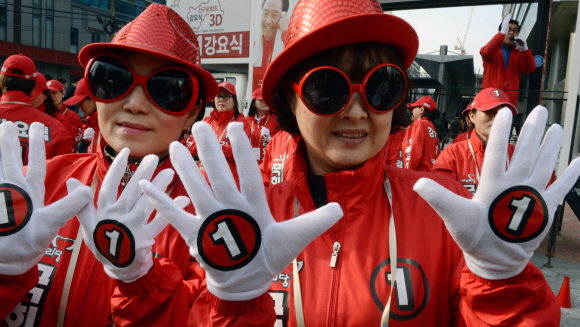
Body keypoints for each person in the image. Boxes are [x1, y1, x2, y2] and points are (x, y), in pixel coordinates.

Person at [116, 1, 575, 326]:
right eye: (327, 89)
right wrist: (234, 304)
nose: (356, 111)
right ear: (289, 101)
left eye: (379, 87)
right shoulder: (238, 222)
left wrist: (501, 283)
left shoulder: (450, 215)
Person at [0, 4, 320, 325]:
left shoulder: (212, 217)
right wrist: (6, 271)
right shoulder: (36, 185)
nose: (136, 105)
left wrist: (150, 279)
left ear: (192, 114)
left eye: (168, 90)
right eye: (113, 79)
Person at [433, 88, 517, 194]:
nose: (497, 117)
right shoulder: (452, 154)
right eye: (489, 111)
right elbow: (440, 200)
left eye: (503, 112)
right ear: (472, 116)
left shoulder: (517, 154)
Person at [0, 54, 73, 164]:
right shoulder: (56, 128)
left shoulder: (57, 125)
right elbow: (65, 172)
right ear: (34, 88)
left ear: (1, 83)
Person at [187, 81, 249, 185]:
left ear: (234, 101)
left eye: (226, 96)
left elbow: (242, 151)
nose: (221, 99)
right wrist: (208, 148)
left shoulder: (241, 123)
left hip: (230, 181)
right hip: (204, 179)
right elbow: (191, 144)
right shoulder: (206, 121)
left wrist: (215, 147)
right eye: (218, 96)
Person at [480, 14, 535, 108]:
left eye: (515, 30)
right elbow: (485, 53)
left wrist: (525, 50)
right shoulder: (493, 50)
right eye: (508, 29)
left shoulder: (519, 52)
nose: (511, 33)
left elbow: (529, 68)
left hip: (509, 102)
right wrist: (501, 35)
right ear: (501, 31)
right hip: (489, 100)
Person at [252, 0, 290, 91]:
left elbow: (296, 59)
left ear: (283, 17)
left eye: (274, 15)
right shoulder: (252, 49)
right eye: (265, 13)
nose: (268, 21)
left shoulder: (287, 46)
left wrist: (285, 33)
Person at [403, 95, 440, 171]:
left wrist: (407, 172)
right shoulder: (431, 126)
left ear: (421, 109)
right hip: (430, 175)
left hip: (418, 176)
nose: (411, 111)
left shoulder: (417, 124)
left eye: (413, 108)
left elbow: (412, 153)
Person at [62, 79, 100, 153]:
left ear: (94, 97)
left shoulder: (113, 122)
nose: (79, 106)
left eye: (81, 101)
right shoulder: (91, 116)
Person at [245, 87, 279, 163]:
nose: (264, 102)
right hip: (251, 162)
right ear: (254, 103)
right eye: (261, 100)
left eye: (266, 100)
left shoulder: (276, 120)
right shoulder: (247, 120)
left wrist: (270, 138)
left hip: (269, 162)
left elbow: (281, 144)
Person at [47, 79, 83, 148]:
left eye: (54, 93)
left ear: (63, 94)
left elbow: (76, 139)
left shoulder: (73, 116)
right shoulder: (43, 113)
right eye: (48, 94)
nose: (51, 97)